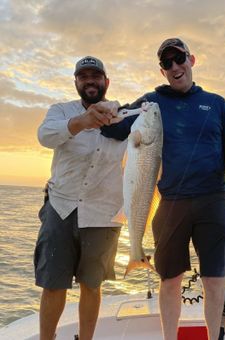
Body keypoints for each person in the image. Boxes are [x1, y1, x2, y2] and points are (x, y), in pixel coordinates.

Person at [101, 38, 225, 340]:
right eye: (166, 63)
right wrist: (109, 109)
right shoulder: (151, 103)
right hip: (169, 202)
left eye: (179, 58)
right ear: (162, 71)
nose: (175, 66)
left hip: (213, 201)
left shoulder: (216, 103)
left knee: (214, 281)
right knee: (169, 280)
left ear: (191, 60)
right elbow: (116, 127)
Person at [34, 56, 125, 340]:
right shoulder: (60, 111)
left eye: (95, 76)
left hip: (103, 214)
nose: (89, 81)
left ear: (106, 82)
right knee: (53, 285)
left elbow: (149, 143)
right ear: (76, 82)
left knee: (92, 285)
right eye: (83, 76)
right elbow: (45, 136)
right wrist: (81, 122)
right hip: (60, 207)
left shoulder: (125, 117)